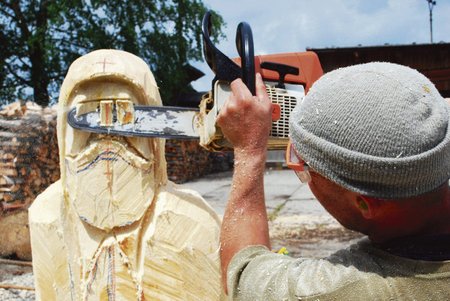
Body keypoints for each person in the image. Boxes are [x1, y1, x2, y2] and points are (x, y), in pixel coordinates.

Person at [217, 62, 450, 300]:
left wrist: (249, 150)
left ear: (365, 204)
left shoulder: (346, 291)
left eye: (303, 166)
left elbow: (241, 274)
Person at [29, 49, 222, 300]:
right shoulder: (46, 215)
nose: (106, 129)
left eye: (124, 110)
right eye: (88, 112)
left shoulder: (194, 224)